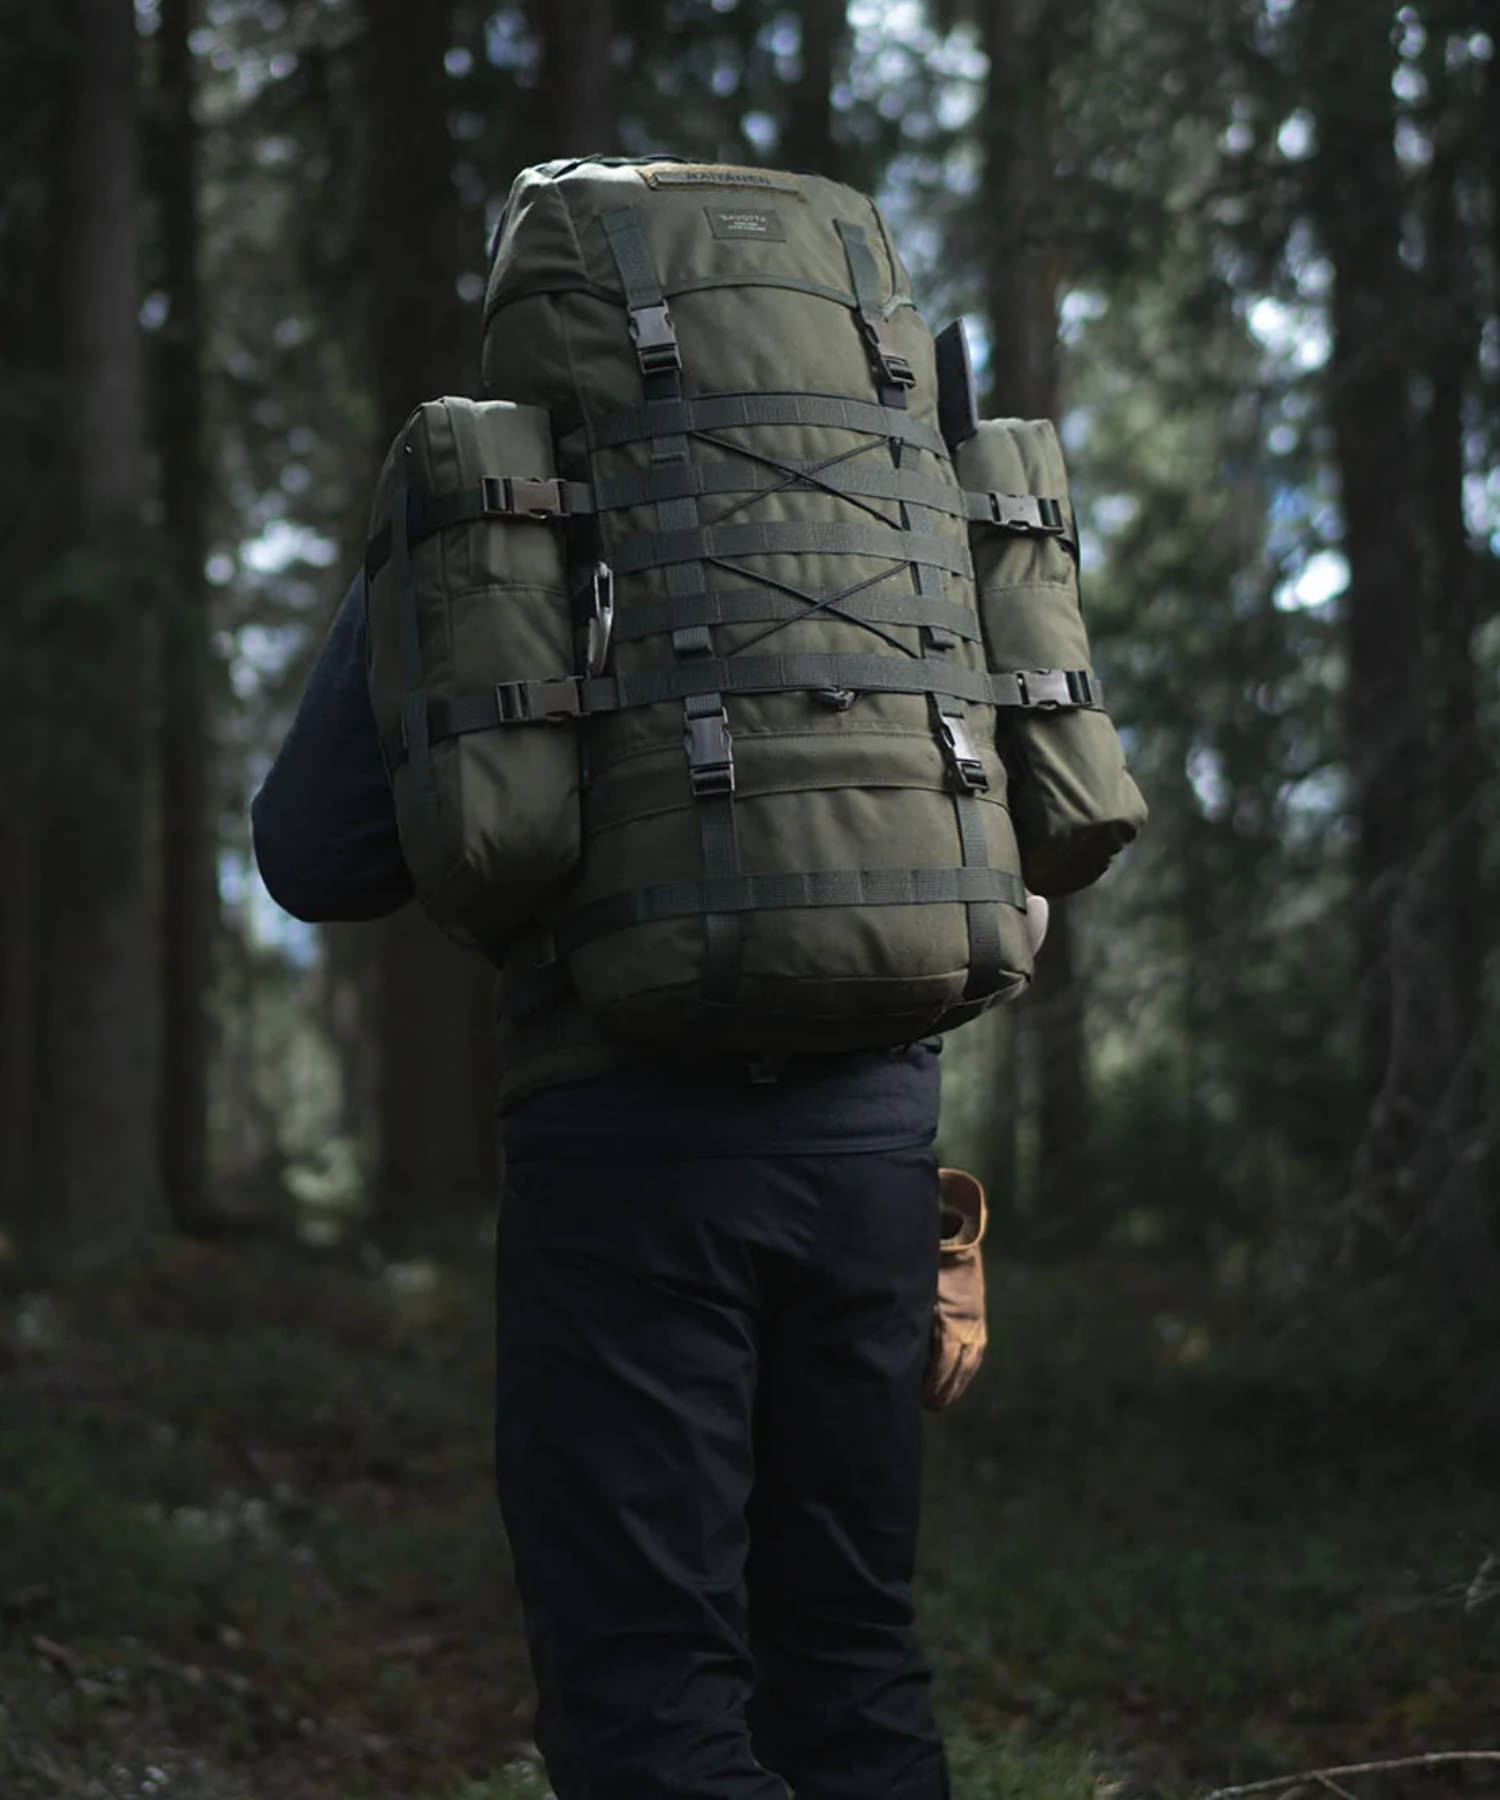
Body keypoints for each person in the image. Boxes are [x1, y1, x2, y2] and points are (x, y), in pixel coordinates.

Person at [253, 563, 1043, 1799]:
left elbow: (313, 853)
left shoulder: (501, 457)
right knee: (851, 1670)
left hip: (624, 1148)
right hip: (874, 1150)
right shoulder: (904, 442)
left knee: (646, 1701)